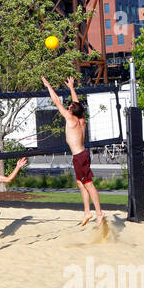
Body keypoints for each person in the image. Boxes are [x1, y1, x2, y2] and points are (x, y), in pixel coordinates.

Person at [43, 76, 102, 226]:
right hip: (81, 155)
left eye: (69, 107)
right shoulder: (82, 119)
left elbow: (56, 100)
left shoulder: (71, 119)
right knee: (81, 183)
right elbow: (78, 105)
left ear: (71, 110)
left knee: (88, 184)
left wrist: (47, 84)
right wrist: (71, 88)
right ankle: (87, 212)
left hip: (80, 156)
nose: (68, 107)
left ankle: (99, 213)